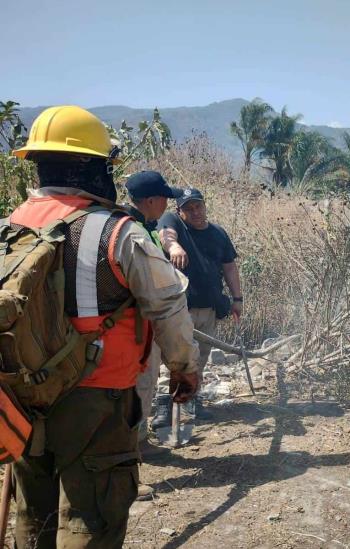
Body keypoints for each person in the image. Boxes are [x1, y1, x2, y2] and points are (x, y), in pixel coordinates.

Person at [9, 106, 199, 548]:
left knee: (32, 515)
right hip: (98, 398)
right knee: (92, 516)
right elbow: (168, 305)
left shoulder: (13, 225)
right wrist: (184, 368)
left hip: (21, 396)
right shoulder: (119, 232)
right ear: (95, 167)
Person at [157, 188, 242, 421]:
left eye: (198, 206)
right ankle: (164, 406)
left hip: (208, 308)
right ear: (180, 211)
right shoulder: (172, 222)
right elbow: (166, 235)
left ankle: (189, 401)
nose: (195, 212)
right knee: (173, 357)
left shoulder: (218, 234)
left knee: (200, 358)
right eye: (188, 208)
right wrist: (174, 247)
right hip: (179, 309)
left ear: (205, 206)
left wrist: (237, 299)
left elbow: (229, 267)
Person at [124, 171, 184, 455]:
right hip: (136, 329)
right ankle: (133, 450)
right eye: (164, 199)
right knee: (140, 386)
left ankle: (140, 442)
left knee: (145, 385)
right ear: (150, 200)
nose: (166, 205)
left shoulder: (146, 227)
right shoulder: (132, 231)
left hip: (144, 327)